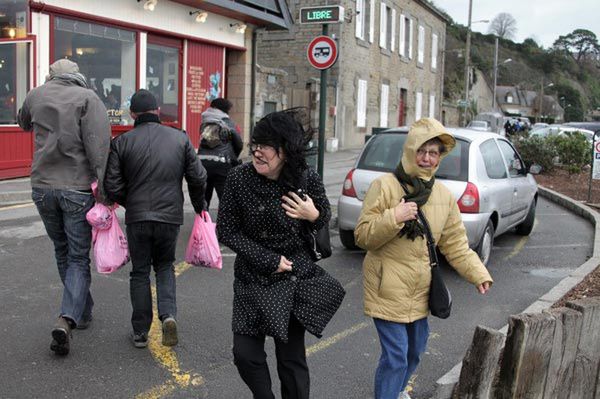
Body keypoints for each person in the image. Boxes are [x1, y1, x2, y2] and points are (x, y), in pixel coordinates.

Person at [354, 118, 493, 399]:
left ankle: (396, 391)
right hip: (386, 288)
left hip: (420, 291)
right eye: (422, 151)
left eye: (434, 153)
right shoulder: (385, 186)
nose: (427, 158)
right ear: (410, 151)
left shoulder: (442, 195)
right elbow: (363, 236)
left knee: (415, 352)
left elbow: (455, 244)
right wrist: (395, 216)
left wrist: (478, 273)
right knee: (396, 357)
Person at [217, 109, 345, 399]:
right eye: (255, 145)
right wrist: (267, 259)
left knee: (291, 359)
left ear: (285, 151)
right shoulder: (239, 178)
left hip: (292, 279)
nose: (257, 153)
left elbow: (324, 215)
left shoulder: (305, 179)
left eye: (265, 147)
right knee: (245, 354)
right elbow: (226, 231)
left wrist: (312, 214)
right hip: (252, 276)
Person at [17, 59, 111, 356]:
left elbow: (22, 123)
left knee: (62, 249)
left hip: (42, 186)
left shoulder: (36, 94)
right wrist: (105, 188)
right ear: (77, 75)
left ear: (51, 76)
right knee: (78, 256)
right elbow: (98, 145)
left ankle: (82, 311)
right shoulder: (88, 98)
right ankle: (68, 318)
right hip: (76, 187)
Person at [104, 89, 207, 348]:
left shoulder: (121, 142)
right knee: (164, 266)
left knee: (139, 272)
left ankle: (140, 332)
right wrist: (199, 206)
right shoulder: (180, 139)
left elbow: (112, 186)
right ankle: (168, 316)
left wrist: (132, 203)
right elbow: (198, 177)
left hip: (137, 217)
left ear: (132, 114)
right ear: (158, 111)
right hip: (170, 216)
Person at [198, 98, 243, 209]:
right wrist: (234, 158)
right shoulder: (228, 122)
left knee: (205, 198)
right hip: (222, 163)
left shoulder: (204, 121)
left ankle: (203, 224)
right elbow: (239, 143)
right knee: (225, 199)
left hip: (202, 163)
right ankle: (224, 224)